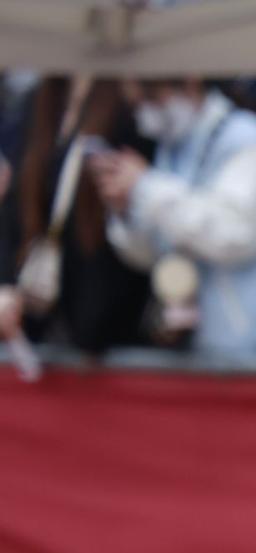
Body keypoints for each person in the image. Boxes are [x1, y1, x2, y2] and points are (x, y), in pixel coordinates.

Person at [91, 78, 256, 354]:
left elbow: (233, 235)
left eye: (151, 98)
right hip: (201, 347)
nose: (144, 112)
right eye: (136, 104)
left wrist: (146, 188)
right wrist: (126, 210)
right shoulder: (172, 147)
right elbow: (153, 252)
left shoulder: (246, 140)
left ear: (191, 83)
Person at [0, 76, 151, 355]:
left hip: (103, 322)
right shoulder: (39, 101)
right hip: (36, 315)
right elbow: (15, 207)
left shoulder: (127, 103)